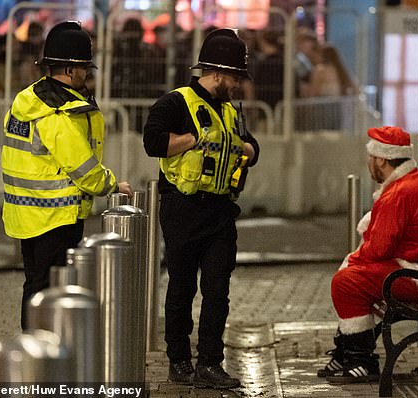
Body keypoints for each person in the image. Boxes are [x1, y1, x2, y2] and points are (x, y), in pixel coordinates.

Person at [143, 28, 260, 389]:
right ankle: (179, 360)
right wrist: (195, 139)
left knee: (217, 290)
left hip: (221, 211)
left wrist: (247, 149)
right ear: (218, 74)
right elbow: (153, 142)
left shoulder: (229, 110)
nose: (238, 84)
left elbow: (250, 146)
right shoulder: (175, 103)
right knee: (181, 288)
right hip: (182, 208)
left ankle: (210, 362)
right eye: (236, 77)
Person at [1, 21, 132, 329]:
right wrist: (113, 184)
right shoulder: (60, 114)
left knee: (35, 283)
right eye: (86, 69)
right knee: (50, 289)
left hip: (24, 213)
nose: (88, 76)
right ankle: (42, 358)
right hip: (56, 215)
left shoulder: (26, 101)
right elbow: (83, 169)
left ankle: (35, 351)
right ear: (72, 70)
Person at [318, 126, 418, 383]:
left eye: (371, 156)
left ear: (381, 158)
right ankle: (348, 351)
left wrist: (353, 264)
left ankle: (360, 360)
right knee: (351, 273)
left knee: (346, 283)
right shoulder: (409, 183)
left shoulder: (399, 193)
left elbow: (379, 248)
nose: (369, 162)